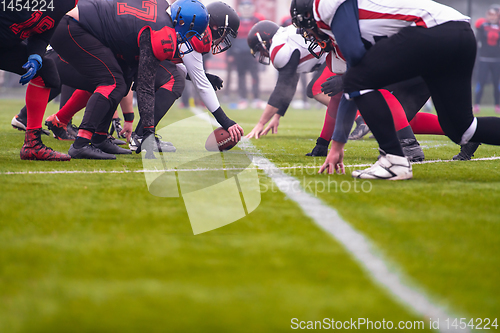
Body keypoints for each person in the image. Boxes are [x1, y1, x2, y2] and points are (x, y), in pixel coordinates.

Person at [292, 0, 500, 180]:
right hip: (459, 33)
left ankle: (394, 159)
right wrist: (336, 146)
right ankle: (397, 157)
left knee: (356, 79)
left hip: (433, 29)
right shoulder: (341, 43)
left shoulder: (324, 6)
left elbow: (356, 70)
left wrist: (350, 78)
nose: (309, 35)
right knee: (463, 130)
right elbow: (353, 85)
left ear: (309, 16)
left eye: (306, 28)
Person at [49, 0, 210, 159]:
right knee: (112, 83)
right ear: (181, 22)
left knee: (122, 82)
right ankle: (81, 144)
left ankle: (99, 137)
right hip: (73, 27)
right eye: (190, 32)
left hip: (75, 24)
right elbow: (145, 87)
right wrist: (148, 132)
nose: (188, 39)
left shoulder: (161, 10)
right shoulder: (162, 31)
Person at [128, 1, 244, 152]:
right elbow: (202, 86)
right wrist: (226, 121)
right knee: (175, 81)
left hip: (132, 49)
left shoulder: (187, 23)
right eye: (224, 32)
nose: (223, 39)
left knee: (109, 83)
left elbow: (177, 65)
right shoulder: (198, 33)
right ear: (215, 26)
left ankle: (98, 134)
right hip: (140, 54)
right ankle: (141, 135)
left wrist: (204, 76)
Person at [0, 0, 77, 161]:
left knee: (45, 70)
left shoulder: (67, 3)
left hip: (6, 46)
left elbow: (43, 32)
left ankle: (32, 145)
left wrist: (35, 55)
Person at [245, 20, 338, 143]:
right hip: (331, 55)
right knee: (318, 89)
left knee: (316, 89)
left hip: (333, 55)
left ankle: (359, 117)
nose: (262, 54)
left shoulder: (279, 45)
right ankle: (361, 118)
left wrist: (261, 123)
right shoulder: (285, 35)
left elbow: (282, 88)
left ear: (265, 41)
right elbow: (290, 84)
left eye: (260, 50)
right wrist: (277, 115)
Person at [227, 0, 265, 109]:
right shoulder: (236, 20)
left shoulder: (258, 20)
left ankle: (256, 98)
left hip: (252, 53)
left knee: (255, 76)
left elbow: (261, 37)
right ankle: (242, 98)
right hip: (238, 53)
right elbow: (231, 38)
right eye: (245, 8)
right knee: (241, 76)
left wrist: (260, 52)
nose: (247, 10)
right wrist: (230, 54)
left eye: (249, 8)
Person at [474, 7, 500, 114]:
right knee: (481, 81)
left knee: (497, 83)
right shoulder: (483, 26)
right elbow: (477, 39)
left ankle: (497, 105)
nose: (492, 16)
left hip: (496, 60)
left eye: (494, 14)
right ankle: (476, 104)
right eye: (490, 14)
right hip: (484, 59)